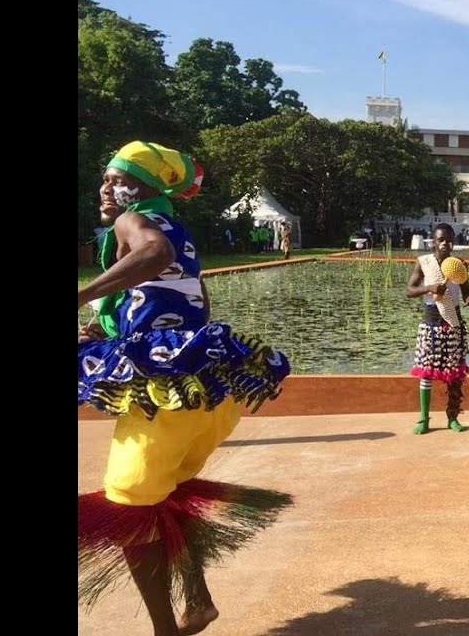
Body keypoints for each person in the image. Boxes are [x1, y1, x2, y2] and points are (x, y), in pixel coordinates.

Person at [77, 141, 293, 636]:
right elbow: (196, 303)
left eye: (117, 179)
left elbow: (155, 253)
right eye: (105, 179)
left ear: (147, 188)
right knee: (163, 494)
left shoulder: (136, 222)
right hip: (207, 398)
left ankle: (165, 632)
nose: (106, 189)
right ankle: (196, 599)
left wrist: (83, 294)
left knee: (128, 502)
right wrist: (115, 330)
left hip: (169, 399)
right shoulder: (180, 228)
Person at [405, 223, 469, 434]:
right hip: (430, 324)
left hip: (453, 323)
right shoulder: (424, 263)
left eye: (449, 239)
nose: (446, 244)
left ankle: (452, 417)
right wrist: (429, 288)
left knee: (455, 374)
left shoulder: (459, 265)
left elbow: (465, 293)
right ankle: (423, 418)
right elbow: (409, 291)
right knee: (426, 373)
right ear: (433, 242)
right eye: (441, 240)